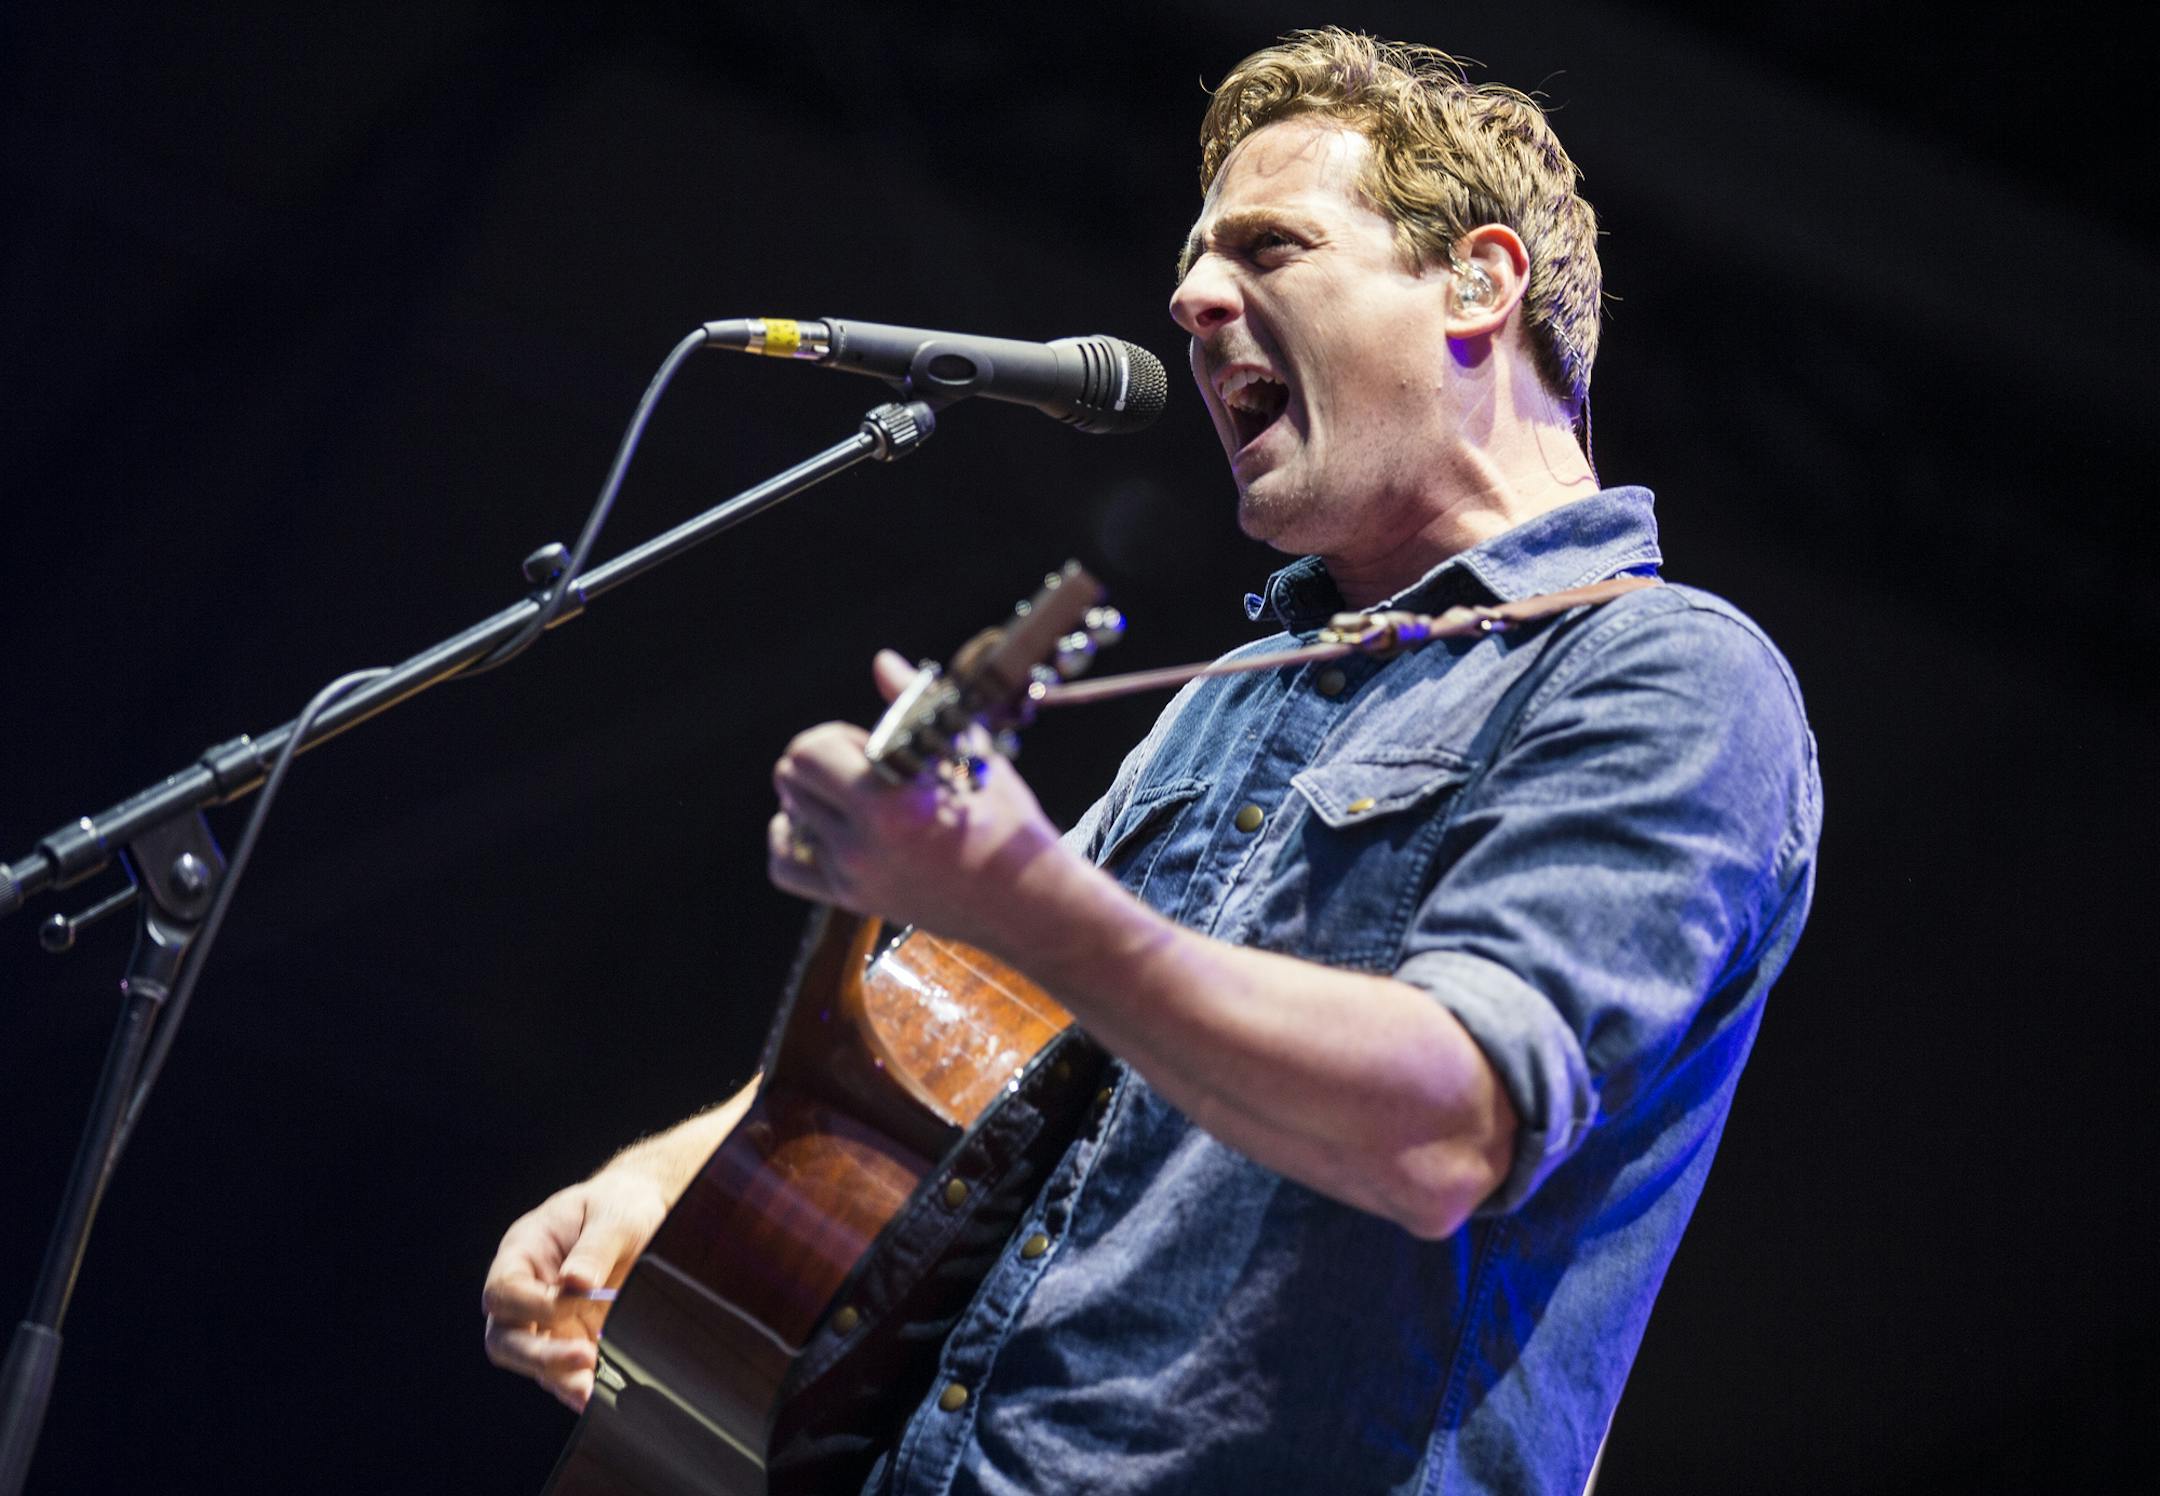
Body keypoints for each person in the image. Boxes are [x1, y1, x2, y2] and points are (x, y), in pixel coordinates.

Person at [483, 29, 1821, 1495]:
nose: (1189, 300)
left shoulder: (1672, 674)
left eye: (1273, 246)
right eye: (1195, 262)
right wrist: (661, 1184)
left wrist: (1033, 893)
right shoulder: (1249, 686)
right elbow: (986, 1038)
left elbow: (1443, 1129)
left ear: (1480, 284)